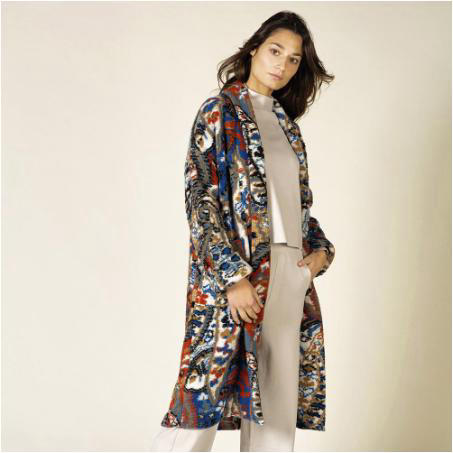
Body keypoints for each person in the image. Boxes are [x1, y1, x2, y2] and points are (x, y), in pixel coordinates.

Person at [150, 10, 336, 452]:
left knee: (275, 414)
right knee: (198, 405)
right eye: (275, 51)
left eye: (293, 59)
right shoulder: (219, 112)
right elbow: (201, 201)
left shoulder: (288, 127)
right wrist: (232, 277)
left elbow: (299, 208)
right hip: (238, 277)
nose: (282, 65)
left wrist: (321, 252)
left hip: (289, 274)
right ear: (254, 49)